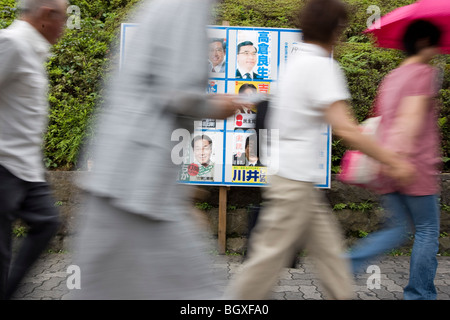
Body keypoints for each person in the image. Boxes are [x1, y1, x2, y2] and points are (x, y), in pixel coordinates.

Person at [224, 0, 415, 300]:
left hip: (295, 179)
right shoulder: (321, 67)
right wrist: (392, 160)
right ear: (334, 30)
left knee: (330, 257)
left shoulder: (296, 62)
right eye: (341, 28)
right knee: (265, 263)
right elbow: (345, 128)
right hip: (294, 182)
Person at [71, 0, 243, 299]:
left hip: (118, 176)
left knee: (97, 288)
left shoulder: (159, 5)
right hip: (140, 185)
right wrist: (220, 105)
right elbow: (179, 93)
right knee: (196, 291)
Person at [347, 19, 443, 300]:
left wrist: (390, 161)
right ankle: (420, 294)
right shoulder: (424, 74)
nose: (438, 50)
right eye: (435, 43)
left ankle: (348, 262)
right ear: (424, 42)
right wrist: (402, 161)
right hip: (412, 166)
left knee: (398, 229)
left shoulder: (393, 76)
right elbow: (410, 121)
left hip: (386, 162)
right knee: (427, 230)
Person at [0, 0, 67, 300]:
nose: (65, 27)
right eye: (63, 19)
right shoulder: (10, 43)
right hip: (4, 165)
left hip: (27, 168)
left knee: (47, 223)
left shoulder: (33, 51)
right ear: (45, 16)